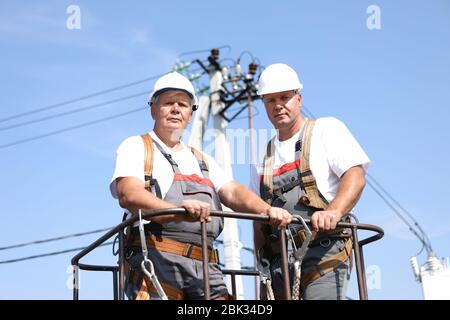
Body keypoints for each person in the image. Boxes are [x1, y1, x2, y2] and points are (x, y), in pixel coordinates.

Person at [110, 71, 292, 300]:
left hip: (206, 268)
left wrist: (265, 210)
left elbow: (233, 191)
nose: (176, 109)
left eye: (183, 105)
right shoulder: (137, 146)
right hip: (156, 261)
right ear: (153, 110)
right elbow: (129, 193)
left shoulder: (203, 160)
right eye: (168, 103)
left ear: (190, 114)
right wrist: (177, 212)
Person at [250, 63, 370, 300]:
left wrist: (333, 212)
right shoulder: (261, 156)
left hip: (324, 249)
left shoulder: (326, 130)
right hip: (280, 260)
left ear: (299, 99)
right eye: (270, 100)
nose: (278, 105)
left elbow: (355, 176)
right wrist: (261, 267)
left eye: (285, 97)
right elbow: (258, 218)